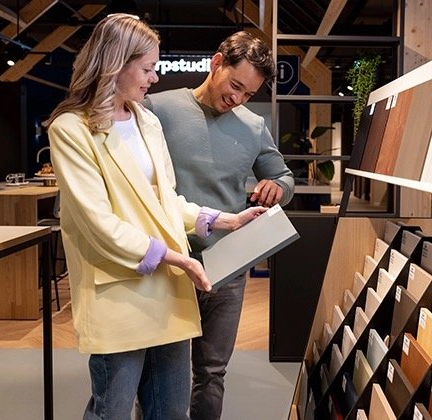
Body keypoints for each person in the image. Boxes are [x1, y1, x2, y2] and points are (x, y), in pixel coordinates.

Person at [44, 15, 266, 420]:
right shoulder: (71, 129)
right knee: (112, 410)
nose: (154, 77)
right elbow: (98, 223)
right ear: (116, 63)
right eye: (147, 68)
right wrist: (177, 258)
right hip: (119, 291)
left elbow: (166, 201)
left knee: (170, 410)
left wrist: (227, 220)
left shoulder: (146, 120)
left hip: (167, 290)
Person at [143, 31, 295, 419]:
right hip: (169, 264)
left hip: (228, 265)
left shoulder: (253, 126)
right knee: (160, 374)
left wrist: (277, 187)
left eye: (249, 94)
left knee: (212, 373)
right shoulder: (157, 110)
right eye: (235, 86)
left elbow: (284, 177)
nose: (238, 99)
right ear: (216, 63)